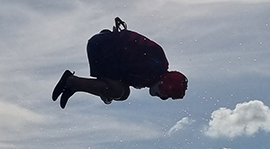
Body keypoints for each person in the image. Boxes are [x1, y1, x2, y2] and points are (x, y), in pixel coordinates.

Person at [51, 17, 188, 108]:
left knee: (120, 93)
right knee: (120, 92)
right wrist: (107, 90)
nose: (163, 98)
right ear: (165, 86)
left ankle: (73, 85)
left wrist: (106, 90)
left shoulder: (152, 74)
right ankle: (71, 82)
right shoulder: (154, 68)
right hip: (103, 47)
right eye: (166, 96)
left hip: (103, 45)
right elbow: (123, 68)